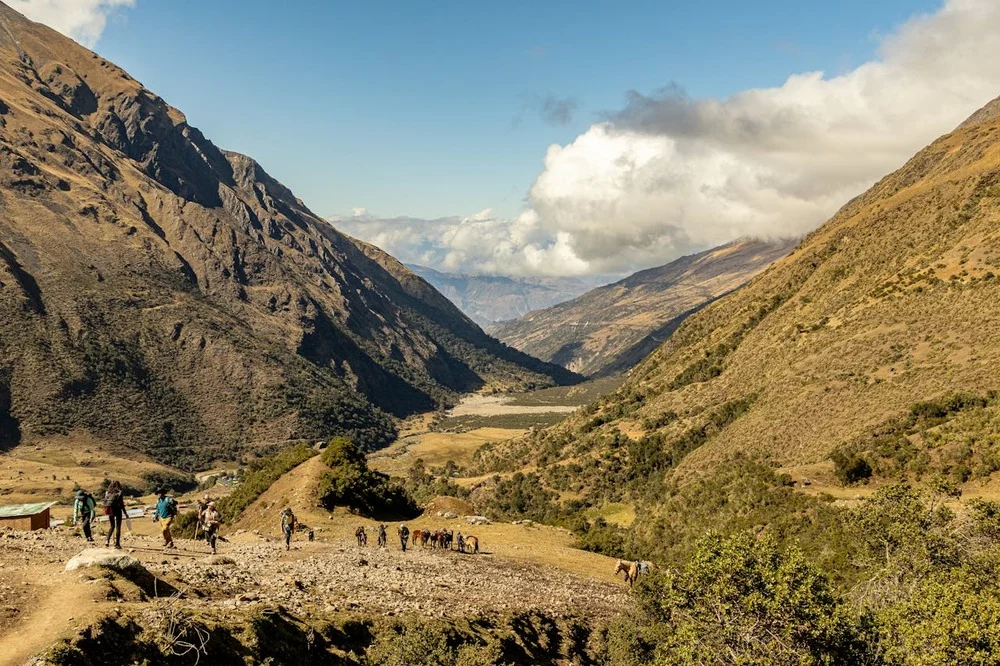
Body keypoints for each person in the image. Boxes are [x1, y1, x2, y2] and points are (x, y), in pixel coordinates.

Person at [102, 480, 126, 550]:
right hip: (118, 510)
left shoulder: (107, 492)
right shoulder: (119, 492)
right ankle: (117, 544)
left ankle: (107, 540)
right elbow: (121, 504)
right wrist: (125, 513)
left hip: (110, 510)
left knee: (112, 526)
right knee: (118, 527)